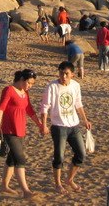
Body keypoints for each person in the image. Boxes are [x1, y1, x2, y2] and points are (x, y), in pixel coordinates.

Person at [40, 61, 92, 194]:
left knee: (81, 154)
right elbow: (45, 107)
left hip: (74, 125)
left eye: (66, 74)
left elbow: (78, 104)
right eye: (61, 73)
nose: (63, 76)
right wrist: (44, 125)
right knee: (59, 156)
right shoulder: (52, 86)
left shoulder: (75, 85)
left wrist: (85, 120)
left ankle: (70, 179)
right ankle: (58, 184)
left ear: (72, 74)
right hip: (58, 126)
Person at [0, 69, 45, 198]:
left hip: (21, 130)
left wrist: (39, 124)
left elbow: (29, 109)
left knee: (11, 159)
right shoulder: (9, 90)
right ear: (22, 79)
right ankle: (26, 191)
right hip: (9, 130)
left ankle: (4, 186)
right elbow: (1, 107)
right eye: (29, 83)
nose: (30, 86)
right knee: (20, 159)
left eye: (32, 84)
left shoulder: (25, 93)